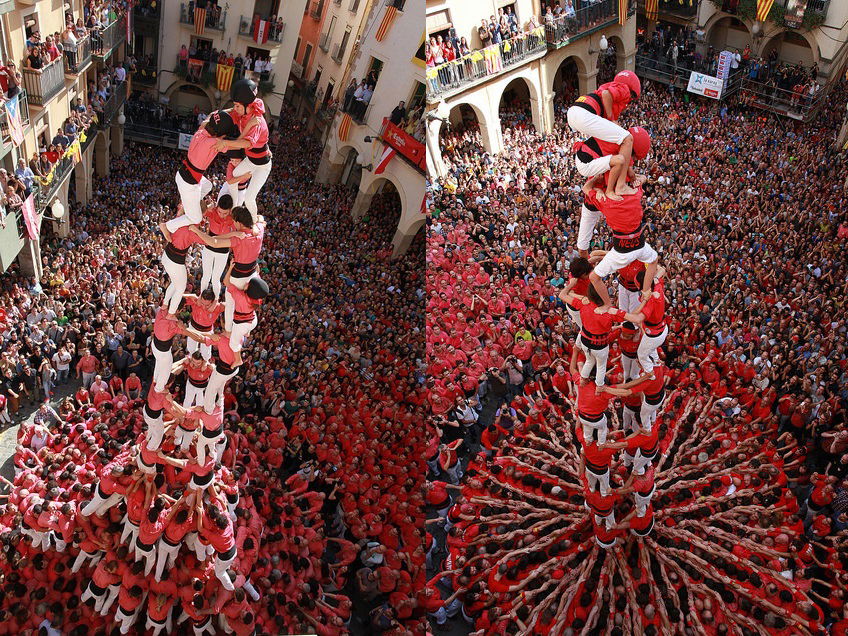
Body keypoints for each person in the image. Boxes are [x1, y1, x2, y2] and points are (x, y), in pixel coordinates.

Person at [163, 110, 240, 236]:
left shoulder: (201, 131)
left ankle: (188, 204)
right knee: (196, 218)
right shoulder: (214, 143)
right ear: (221, 134)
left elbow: (211, 115)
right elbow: (237, 146)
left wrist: (229, 110)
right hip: (189, 183)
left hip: (184, 174)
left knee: (208, 185)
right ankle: (167, 226)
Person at [567, 70, 642, 199]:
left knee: (619, 138)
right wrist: (611, 119)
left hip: (575, 112)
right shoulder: (624, 88)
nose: (629, 103)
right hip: (584, 114)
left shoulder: (611, 87)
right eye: (633, 98)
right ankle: (620, 186)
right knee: (627, 138)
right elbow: (607, 94)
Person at [212, 80, 272, 224]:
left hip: (262, 167)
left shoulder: (258, 121)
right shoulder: (243, 112)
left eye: (238, 105)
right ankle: (235, 208)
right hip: (250, 161)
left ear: (248, 106)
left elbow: (247, 143)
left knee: (250, 198)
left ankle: (253, 223)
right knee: (233, 178)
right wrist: (214, 115)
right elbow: (230, 113)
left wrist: (225, 143)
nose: (235, 108)